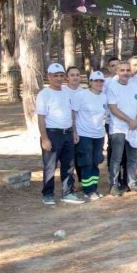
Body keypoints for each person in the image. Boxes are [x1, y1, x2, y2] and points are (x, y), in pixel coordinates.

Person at [36, 63, 84, 205]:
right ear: (49, 77)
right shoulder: (44, 94)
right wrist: (44, 138)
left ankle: (68, 192)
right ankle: (48, 194)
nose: (58, 78)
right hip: (52, 134)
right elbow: (41, 117)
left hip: (67, 133)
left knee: (69, 165)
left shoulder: (66, 92)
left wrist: (74, 131)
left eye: (61, 75)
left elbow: (71, 113)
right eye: (55, 76)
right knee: (50, 166)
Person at [107, 61, 137, 195]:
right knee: (116, 158)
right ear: (117, 72)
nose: (125, 73)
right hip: (119, 128)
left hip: (134, 128)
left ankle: (132, 182)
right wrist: (129, 120)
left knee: (133, 158)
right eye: (122, 70)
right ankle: (114, 184)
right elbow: (113, 108)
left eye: (128, 70)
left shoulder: (134, 86)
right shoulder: (112, 86)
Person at [71, 70, 107, 200]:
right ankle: (88, 190)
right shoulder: (81, 95)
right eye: (95, 80)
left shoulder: (104, 96)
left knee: (96, 162)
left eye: (101, 81)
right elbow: (73, 114)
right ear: (90, 82)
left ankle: (94, 188)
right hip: (84, 134)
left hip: (99, 135)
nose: (98, 83)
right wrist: (74, 132)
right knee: (86, 163)